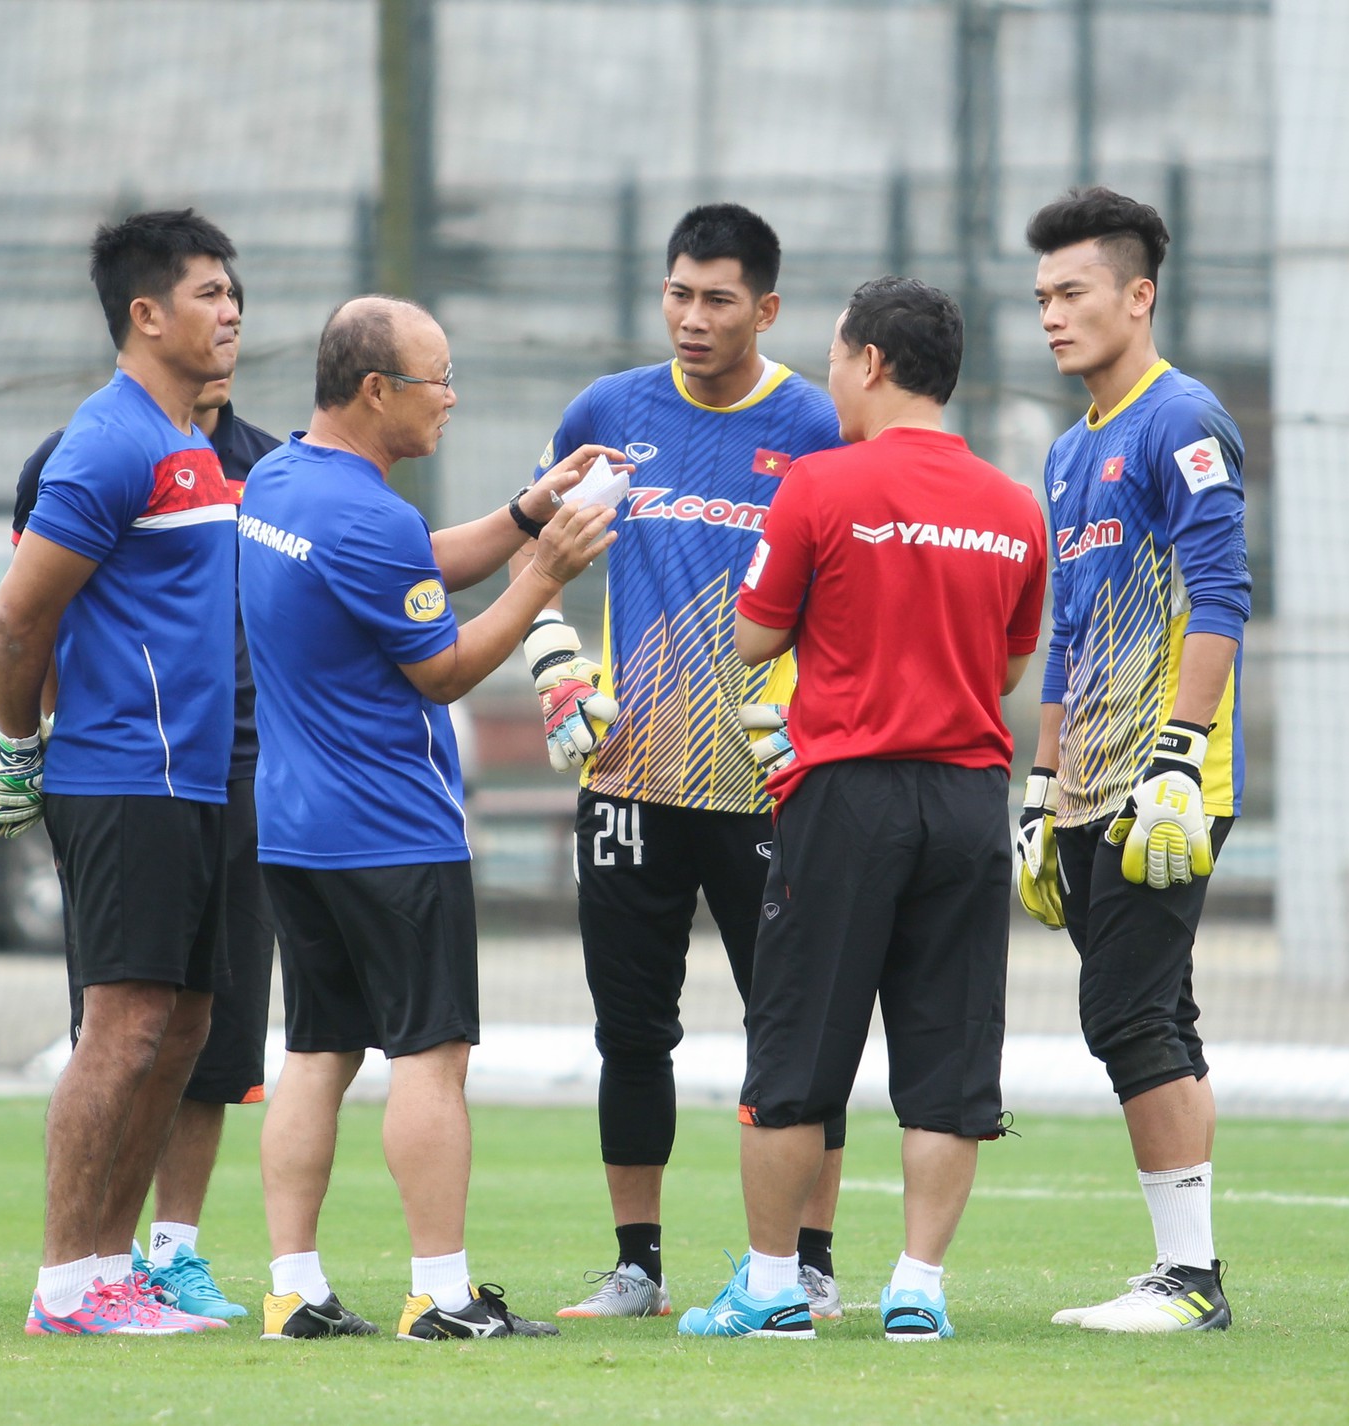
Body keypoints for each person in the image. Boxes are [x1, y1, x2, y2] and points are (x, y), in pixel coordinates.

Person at [240, 295, 619, 1342]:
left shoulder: (279, 478)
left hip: (294, 827)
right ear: (375, 391)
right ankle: (443, 1298)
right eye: (434, 379)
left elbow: (399, 574)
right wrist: (541, 574)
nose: (450, 397)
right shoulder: (371, 514)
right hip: (391, 832)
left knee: (317, 1051)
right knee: (431, 1054)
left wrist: (522, 514)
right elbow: (440, 668)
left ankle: (293, 1291)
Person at [676, 278, 1046, 1341]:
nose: (828, 375)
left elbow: (751, 638)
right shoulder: (1013, 506)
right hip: (968, 799)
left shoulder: (818, 485)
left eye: (835, 356)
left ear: (871, 363)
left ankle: (769, 1283)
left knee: (793, 1052)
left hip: (844, 798)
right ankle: (917, 1289)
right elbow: (1010, 663)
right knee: (946, 1061)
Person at [513, 203, 848, 1321]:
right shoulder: (607, 411)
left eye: (715, 299)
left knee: (793, 1030)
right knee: (629, 1031)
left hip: (768, 786)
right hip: (626, 782)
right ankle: (637, 1266)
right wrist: (555, 660)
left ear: (766, 307)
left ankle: (807, 1264)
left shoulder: (815, 424)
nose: (690, 319)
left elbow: (853, 590)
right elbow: (537, 551)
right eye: (676, 294)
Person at [0, 209, 244, 1336]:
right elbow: (14, 619)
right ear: (146, 314)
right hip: (123, 775)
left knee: (178, 1030)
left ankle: (111, 1269)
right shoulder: (109, 442)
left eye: (235, 292)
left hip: (191, 784)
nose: (231, 311)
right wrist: (22, 752)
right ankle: (62, 1284)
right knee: (122, 1027)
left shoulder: (190, 441)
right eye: (206, 293)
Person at [1021, 187, 1252, 1333]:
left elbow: (1220, 596)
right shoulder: (1069, 452)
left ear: (1137, 294)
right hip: (1085, 784)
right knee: (1159, 1012)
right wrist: (1037, 780)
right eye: (1041, 298)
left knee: (1123, 1019)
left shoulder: (1183, 419)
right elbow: (1066, 630)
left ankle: (1189, 1282)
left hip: (1166, 783)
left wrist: (1176, 753)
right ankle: (1184, 1267)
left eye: (1071, 293)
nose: (1052, 316)